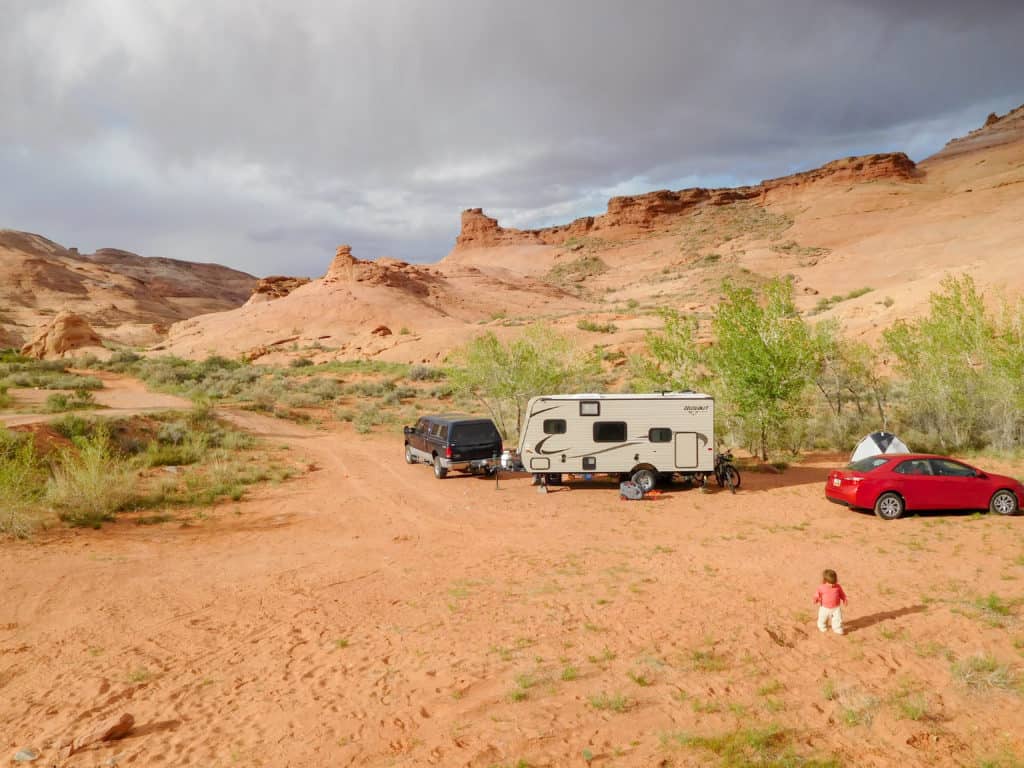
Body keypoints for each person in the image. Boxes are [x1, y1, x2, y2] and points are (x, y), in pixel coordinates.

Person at [814, 569, 848, 635]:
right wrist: (816, 598)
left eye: (834, 583)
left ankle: (837, 628)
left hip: (836, 608)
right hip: (824, 608)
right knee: (822, 618)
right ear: (825, 581)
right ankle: (822, 626)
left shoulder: (838, 587)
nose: (832, 585)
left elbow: (842, 594)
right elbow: (817, 594)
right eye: (830, 583)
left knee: (838, 618)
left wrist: (844, 599)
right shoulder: (821, 587)